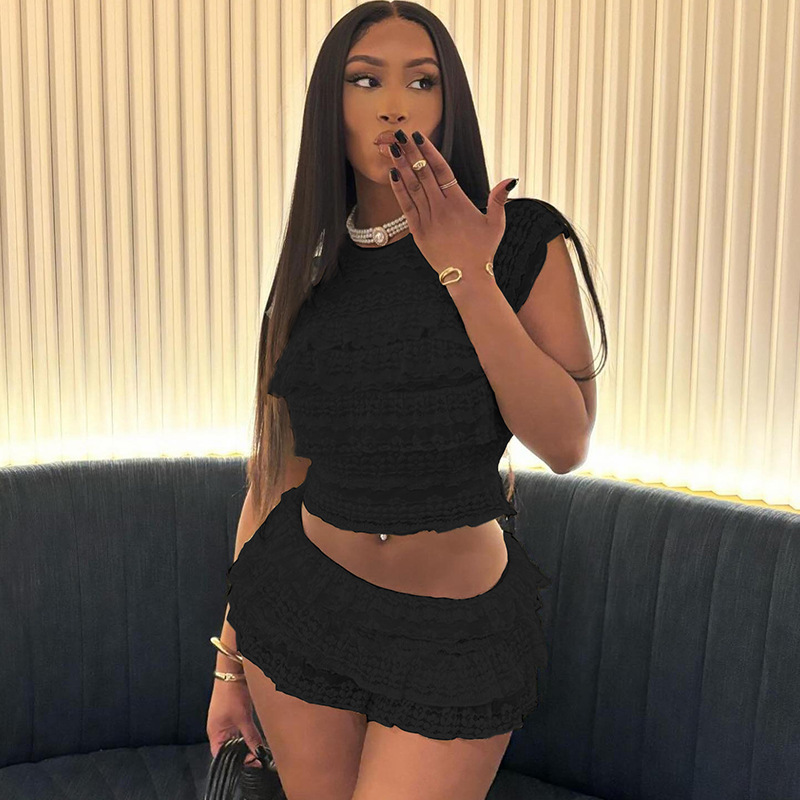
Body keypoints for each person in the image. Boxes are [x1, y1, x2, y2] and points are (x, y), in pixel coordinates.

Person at [209, 3, 607, 799]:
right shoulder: (312, 273)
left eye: (421, 81)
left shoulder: (521, 237)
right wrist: (228, 665)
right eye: (366, 81)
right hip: (298, 602)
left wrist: (466, 273)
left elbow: (565, 443)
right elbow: (276, 476)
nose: (394, 104)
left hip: (455, 632)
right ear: (331, 104)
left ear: (448, 103)